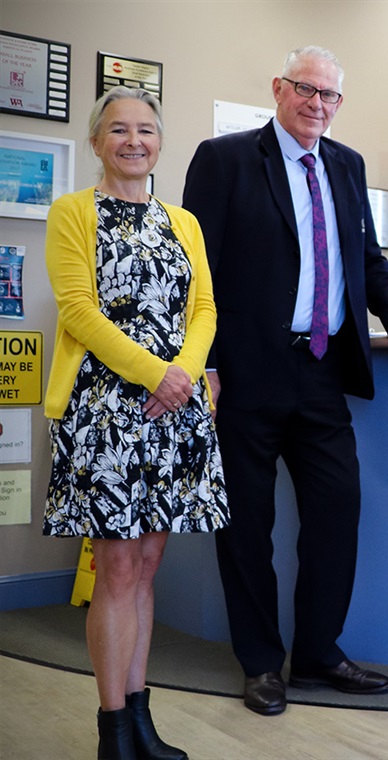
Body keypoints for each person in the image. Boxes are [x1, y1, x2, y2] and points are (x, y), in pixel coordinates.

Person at [181, 45, 388, 717]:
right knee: (248, 527)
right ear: (279, 88)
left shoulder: (346, 166)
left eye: (330, 96)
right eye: (306, 90)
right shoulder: (227, 158)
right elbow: (193, 270)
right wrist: (201, 361)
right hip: (244, 374)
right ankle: (261, 662)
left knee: (336, 512)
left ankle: (319, 652)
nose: (317, 104)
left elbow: (366, 260)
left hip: (322, 371)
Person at [43, 86, 228, 759]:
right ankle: (113, 729)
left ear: (159, 141)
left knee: (147, 568)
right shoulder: (72, 213)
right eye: (118, 130)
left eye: (146, 130)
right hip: (106, 413)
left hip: (174, 414)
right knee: (116, 569)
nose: (133, 141)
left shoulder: (184, 222)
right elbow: (78, 311)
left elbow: (205, 308)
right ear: (97, 141)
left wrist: (182, 372)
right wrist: (160, 375)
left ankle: (142, 721)